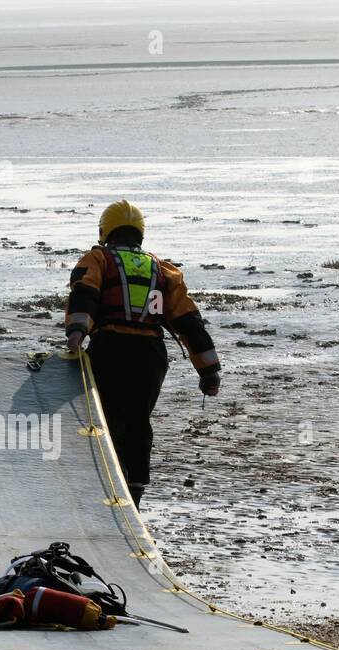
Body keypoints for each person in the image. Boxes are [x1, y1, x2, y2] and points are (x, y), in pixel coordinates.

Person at [65, 200, 221, 508]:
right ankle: (134, 490)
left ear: (104, 231)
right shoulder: (163, 270)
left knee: (104, 420)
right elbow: (188, 321)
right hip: (150, 357)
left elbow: (85, 292)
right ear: (140, 234)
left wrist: (76, 332)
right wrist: (209, 370)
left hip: (110, 350)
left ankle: (105, 485)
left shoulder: (98, 259)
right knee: (138, 421)